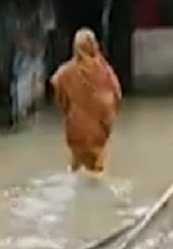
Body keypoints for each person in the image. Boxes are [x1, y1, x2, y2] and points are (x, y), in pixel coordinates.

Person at [49, 28, 122, 174]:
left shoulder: (67, 71)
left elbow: (55, 82)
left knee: (75, 170)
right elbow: (117, 95)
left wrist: (66, 107)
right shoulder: (104, 71)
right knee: (97, 173)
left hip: (75, 131)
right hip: (98, 134)